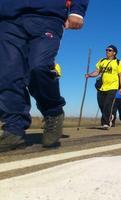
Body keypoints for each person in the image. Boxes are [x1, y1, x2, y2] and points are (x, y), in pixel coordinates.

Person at [0, 0, 89, 152]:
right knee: (7, 73)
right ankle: (14, 128)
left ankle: (53, 111)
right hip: (9, 17)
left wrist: (77, 10)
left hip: (48, 15)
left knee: (39, 67)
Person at [86, 45, 121, 130]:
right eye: (106, 50)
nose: (107, 51)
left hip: (112, 87)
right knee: (101, 105)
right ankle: (110, 116)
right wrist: (89, 75)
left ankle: (105, 123)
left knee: (108, 104)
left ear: (114, 53)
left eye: (109, 50)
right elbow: (97, 72)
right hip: (101, 87)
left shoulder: (118, 62)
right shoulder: (102, 61)